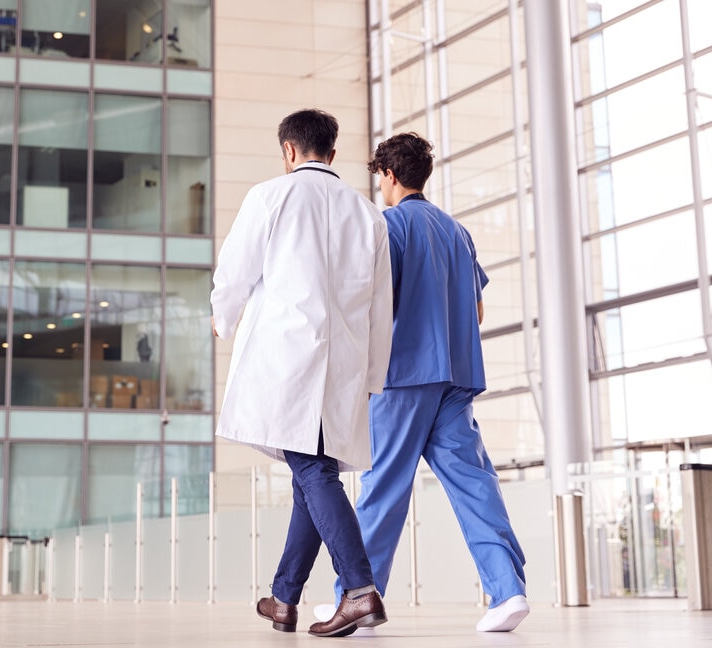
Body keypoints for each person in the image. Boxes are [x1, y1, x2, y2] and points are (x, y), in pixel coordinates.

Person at [315, 132, 529, 633]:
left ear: (388, 176)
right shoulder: (457, 232)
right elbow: (476, 310)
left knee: (383, 488)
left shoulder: (389, 226)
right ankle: (508, 591)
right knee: (476, 487)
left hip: (404, 378)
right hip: (455, 379)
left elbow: (373, 305)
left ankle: (358, 598)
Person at [211, 108, 394, 638]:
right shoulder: (368, 214)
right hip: (343, 365)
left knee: (313, 473)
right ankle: (285, 598)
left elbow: (236, 267)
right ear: (331, 154)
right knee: (310, 477)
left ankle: (359, 591)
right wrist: (373, 374)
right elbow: (383, 307)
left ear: (289, 151)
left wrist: (222, 316)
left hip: (287, 358)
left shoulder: (270, 196)